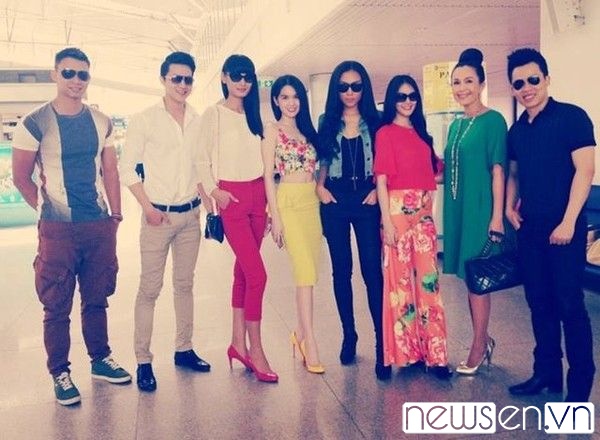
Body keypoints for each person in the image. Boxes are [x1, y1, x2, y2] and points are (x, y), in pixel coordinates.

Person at [11, 47, 131, 406]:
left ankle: (100, 360)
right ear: (55, 75)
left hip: (98, 225)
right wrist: (47, 209)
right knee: (56, 302)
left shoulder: (101, 121)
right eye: (68, 73)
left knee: (97, 297)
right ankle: (60, 373)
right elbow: (21, 177)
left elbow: (110, 170)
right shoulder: (35, 122)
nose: (76, 80)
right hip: (57, 230)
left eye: (83, 74)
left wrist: (115, 216)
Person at [505, 48, 596, 402]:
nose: (526, 88)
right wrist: (510, 207)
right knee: (538, 302)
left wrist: (569, 222)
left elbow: (585, 171)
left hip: (565, 229)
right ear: (513, 88)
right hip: (531, 230)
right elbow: (514, 173)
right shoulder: (517, 131)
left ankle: (579, 386)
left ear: (546, 79)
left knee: (569, 304)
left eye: (533, 79)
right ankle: (547, 373)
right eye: (519, 83)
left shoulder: (572, 117)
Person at [120, 52, 212, 392]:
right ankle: (143, 360)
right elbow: (127, 168)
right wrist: (147, 208)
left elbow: (200, 166)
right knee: (149, 289)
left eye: (188, 79)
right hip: (157, 217)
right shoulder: (145, 120)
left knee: (185, 285)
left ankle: (184, 349)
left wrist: (206, 202)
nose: (183, 85)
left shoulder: (198, 120)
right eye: (177, 78)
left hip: (190, 216)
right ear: (163, 79)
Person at [197, 54, 277, 383]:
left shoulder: (256, 116)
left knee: (244, 272)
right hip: (232, 198)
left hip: (258, 196)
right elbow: (200, 159)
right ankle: (255, 350)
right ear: (224, 78)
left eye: (248, 76)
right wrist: (215, 192)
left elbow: (266, 164)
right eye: (237, 76)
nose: (243, 82)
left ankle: (236, 344)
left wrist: (269, 206)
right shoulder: (213, 114)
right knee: (258, 275)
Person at [374, 75, 451, 379]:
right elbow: (381, 181)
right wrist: (387, 221)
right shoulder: (385, 133)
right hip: (396, 213)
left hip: (424, 214)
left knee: (429, 284)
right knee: (399, 286)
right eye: (401, 96)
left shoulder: (422, 134)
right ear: (392, 100)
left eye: (412, 96)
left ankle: (436, 355)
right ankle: (407, 353)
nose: (407, 102)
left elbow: (434, 174)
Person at [317, 60, 390, 380]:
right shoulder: (327, 121)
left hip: (366, 199)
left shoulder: (376, 120)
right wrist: (319, 186)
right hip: (334, 198)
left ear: (364, 88)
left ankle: (382, 344)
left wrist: (377, 189)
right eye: (343, 86)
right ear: (336, 89)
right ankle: (349, 334)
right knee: (341, 271)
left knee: (372, 271)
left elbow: (385, 160)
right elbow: (323, 158)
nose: (349, 92)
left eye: (356, 86)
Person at [442, 48, 507, 375]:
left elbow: (498, 170)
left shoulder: (493, 121)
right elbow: (451, 168)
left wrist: (496, 217)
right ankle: (483, 338)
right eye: (456, 82)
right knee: (469, 278)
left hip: (480, 211)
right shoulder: (456, 125)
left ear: (481, 84)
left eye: (469, 81)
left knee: (477, 280)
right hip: (457, 209)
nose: (462, 88)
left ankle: (479, 345)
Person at [262, 75, 324, 374]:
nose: (291, 102)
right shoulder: (272, 130)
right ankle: (310, 342)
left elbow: (321, 167)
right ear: (276, 100)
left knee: (311, 274)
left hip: (311, 203)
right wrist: (274, 216)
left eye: (296, 96)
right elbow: (267, 175)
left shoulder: (308, 131)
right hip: (288, 202)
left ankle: (298, 335)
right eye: (285, 97)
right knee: (304, 272)